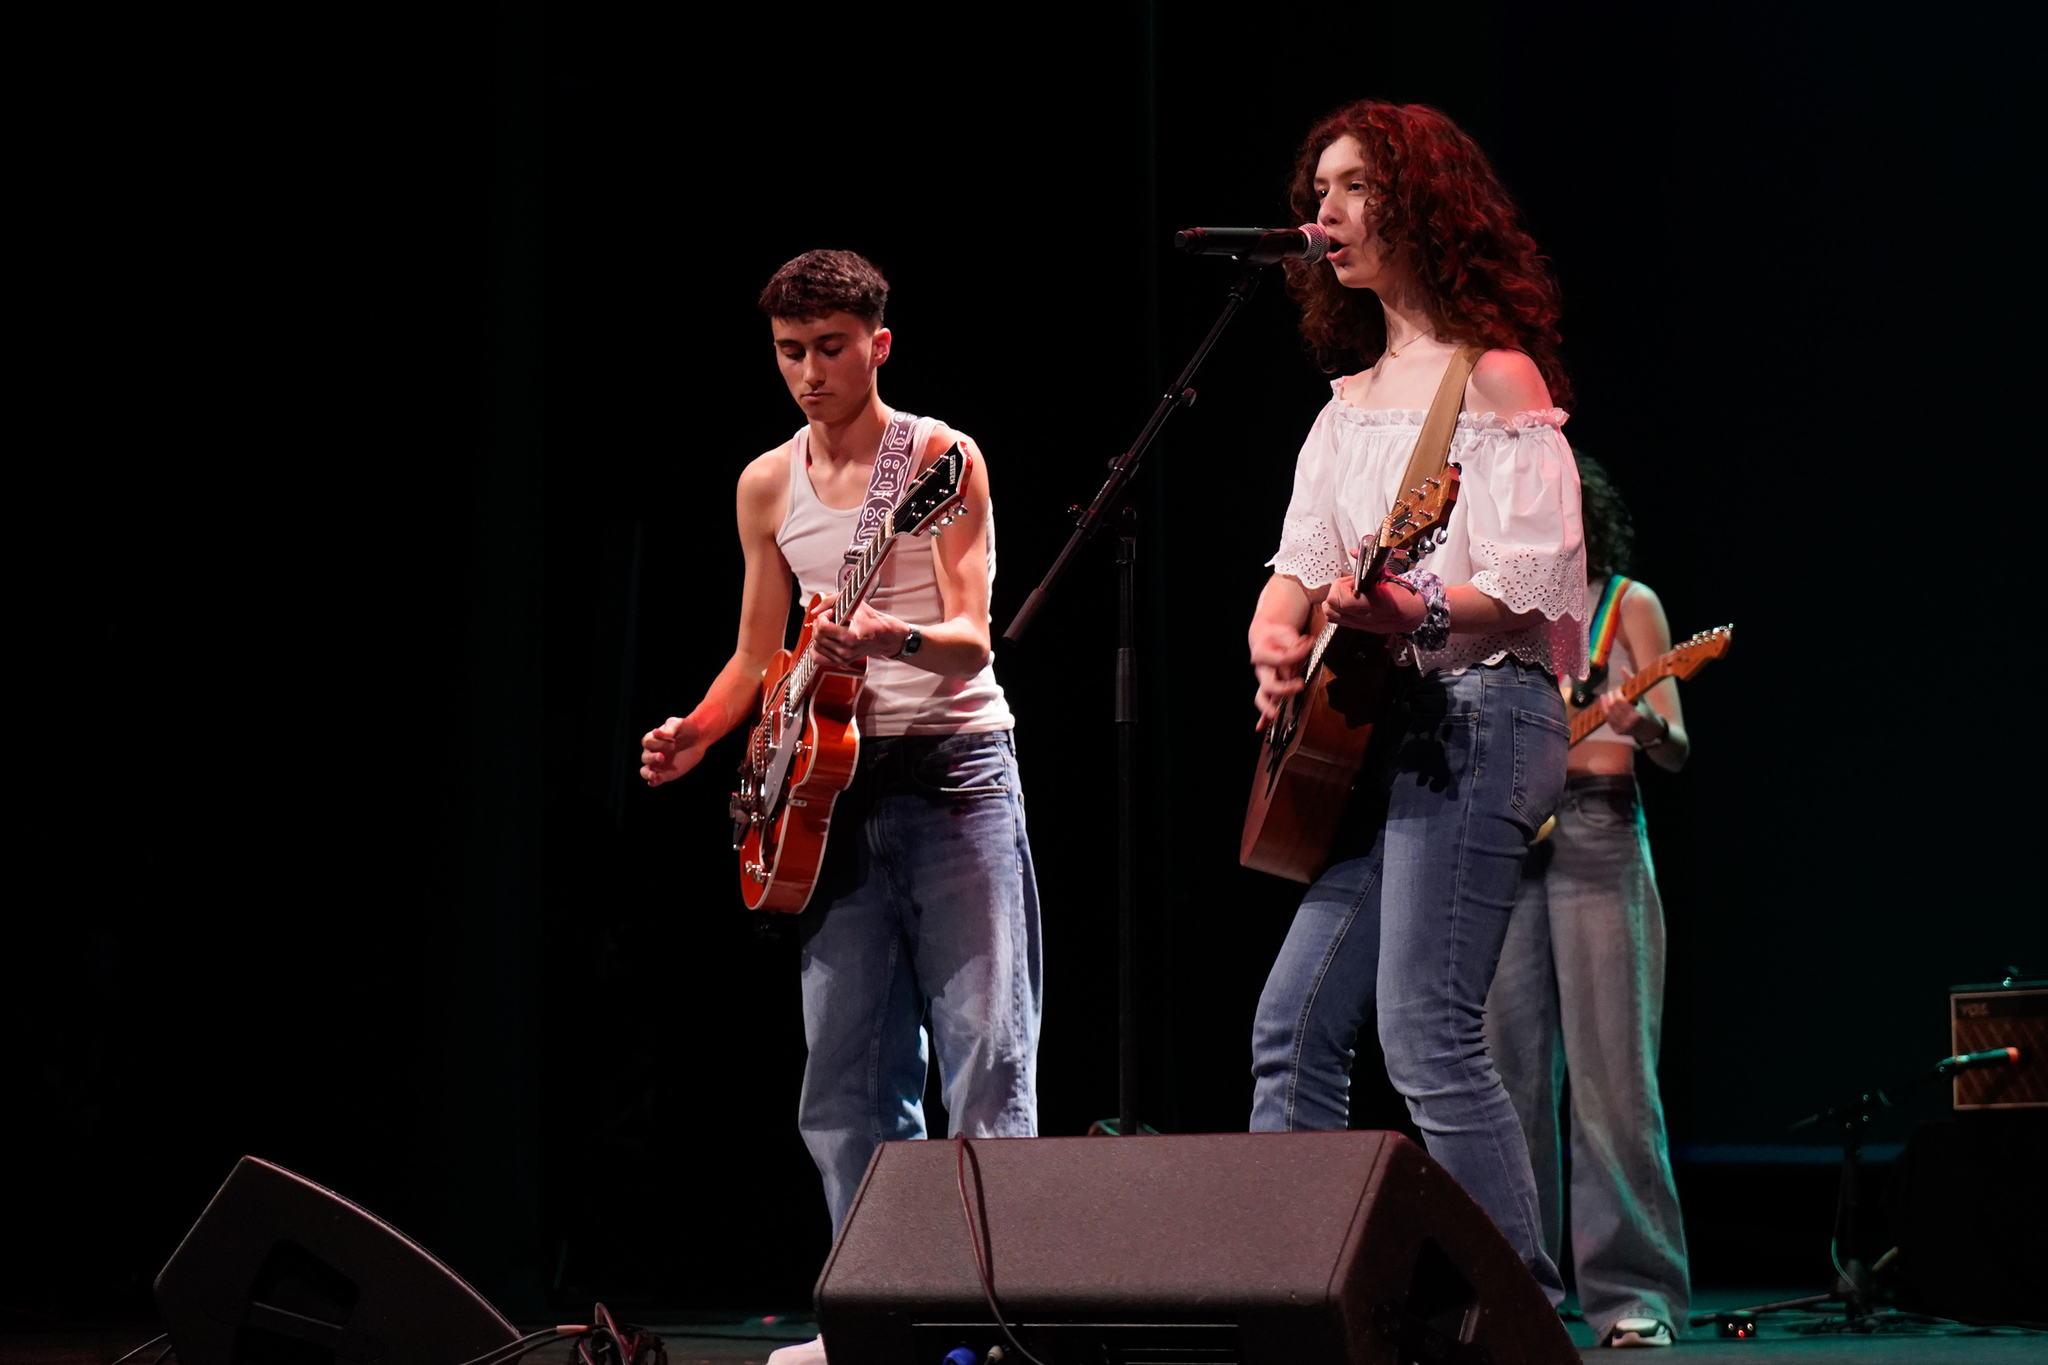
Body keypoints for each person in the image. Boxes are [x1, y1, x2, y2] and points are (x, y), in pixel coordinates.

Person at [640, 250, 1040, 1365]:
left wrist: (888, 637)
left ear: (878, 344)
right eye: (789, 353)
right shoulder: (765, 484)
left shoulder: (940, 459)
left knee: (987, 1054)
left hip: (954, 773)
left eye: (830, 348)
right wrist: (696, 733)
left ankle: (997, 1321)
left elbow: (971, 639)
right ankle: (875, 1318)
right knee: (847, 1076)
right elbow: (754, 656)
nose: (810, 373)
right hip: (830, 788)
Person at [1245, 100, 1586, 1305]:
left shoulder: (1491, 378)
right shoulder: (1347, 402)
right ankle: (1298, 1303)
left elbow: (1537, 576)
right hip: (1374, 737)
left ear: (1420, 207)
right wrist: (1271, 638)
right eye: (1317, 192)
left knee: (1427, 1032)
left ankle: (1518, 1315)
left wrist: (1418, 609)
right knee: (1290, 1030)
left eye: (1352, 189)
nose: (1323, 213)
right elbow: (1296, 568)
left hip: (1480, 719)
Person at [1484, 453, 1691, 1348]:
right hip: (1506, 841)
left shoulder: (1627, 606)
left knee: (1613, 1077)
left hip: (1599, 833)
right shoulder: (1500, 606)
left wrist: (1642, 722)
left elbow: (1676, 745)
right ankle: (1516, 1291)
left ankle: (1634, 1293)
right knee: (1503, 1079)